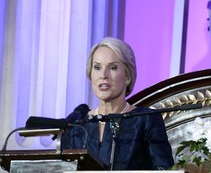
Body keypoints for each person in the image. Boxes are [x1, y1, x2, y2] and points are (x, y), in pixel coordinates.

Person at [61, 37, 174, 170]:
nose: (103, 75)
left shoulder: (146, 120)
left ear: (127, 77)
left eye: (112, 67)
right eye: (97, 67)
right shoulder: (76, 126)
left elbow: (164, 170)